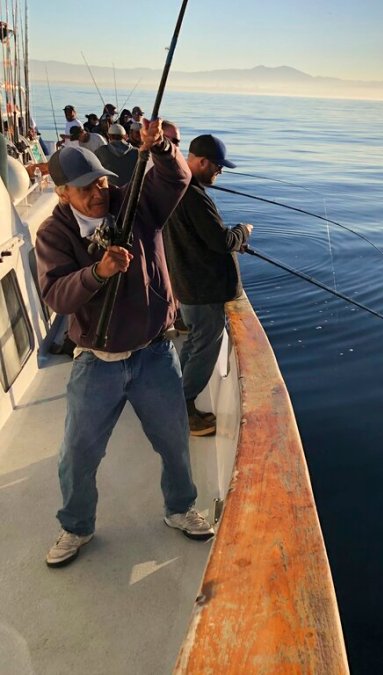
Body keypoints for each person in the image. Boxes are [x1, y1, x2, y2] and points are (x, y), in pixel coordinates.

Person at [35, 121, 214, 568]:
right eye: (84, 188)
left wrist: (161, 147)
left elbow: (175, 177)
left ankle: (180, 509)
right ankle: (76, 526)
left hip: (153, 353)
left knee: (174, 442)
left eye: (100, 181)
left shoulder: (134, 204)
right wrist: (98, 273)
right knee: (78, 453)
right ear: (61, 192)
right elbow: (56, 293)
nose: (98, 192)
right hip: (97, 361)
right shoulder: (53, 234)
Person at [164, 134, 252, 436]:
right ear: (201, 162)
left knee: (195, 341)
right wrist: (242, 231)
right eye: (217, 166)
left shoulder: (178, 188)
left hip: (188, 285)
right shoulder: (194, 195)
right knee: (205, 346)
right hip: (201, 290)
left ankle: (173, 395)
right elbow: (221, 240)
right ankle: (183, 410)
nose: (220, 172)